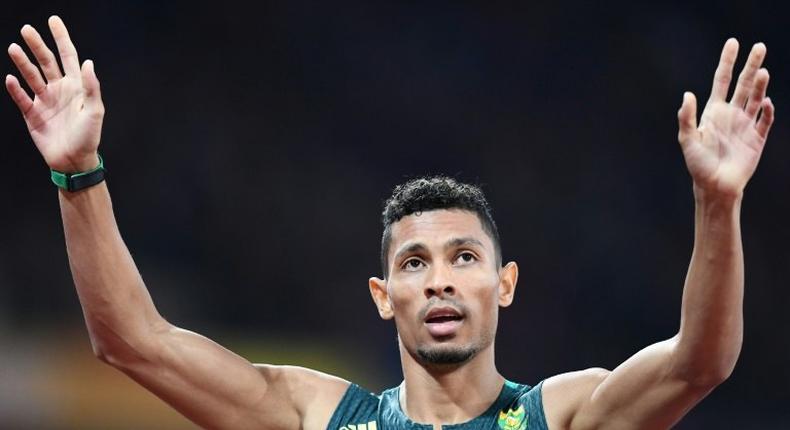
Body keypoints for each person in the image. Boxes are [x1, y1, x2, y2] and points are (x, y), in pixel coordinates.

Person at [5, 15, 775, 430]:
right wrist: (79, 174)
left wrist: (718, 203)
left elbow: (698, 363)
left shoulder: (562, 416)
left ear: (505, 285)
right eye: (414, 263)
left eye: (464, 257)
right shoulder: (317, 418)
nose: (440, 278)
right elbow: (132, 343)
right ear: (382, 295)